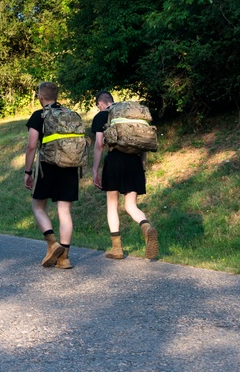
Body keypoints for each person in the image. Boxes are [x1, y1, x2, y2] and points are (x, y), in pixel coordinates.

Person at [92, 91, 158, 260]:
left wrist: (95, 169)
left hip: (115, 161)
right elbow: (142, 145)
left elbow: (99, 145)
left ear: (100, 103)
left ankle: (117, 248)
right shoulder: (130, 117)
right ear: (112, 101)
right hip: (134, 162)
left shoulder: (102, 116)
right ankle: (146, 227)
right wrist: (142, 170)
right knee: (131, 206)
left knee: (112, 205)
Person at [24, 81, 80, 269]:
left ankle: (52, 243)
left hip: (48, 167)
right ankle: (64, 258)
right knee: (64, 211)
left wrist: (27, 171)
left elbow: (32, 145)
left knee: (38, 206)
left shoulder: (39, 115)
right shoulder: (69, 114)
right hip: (71, 166)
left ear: (41, 97)